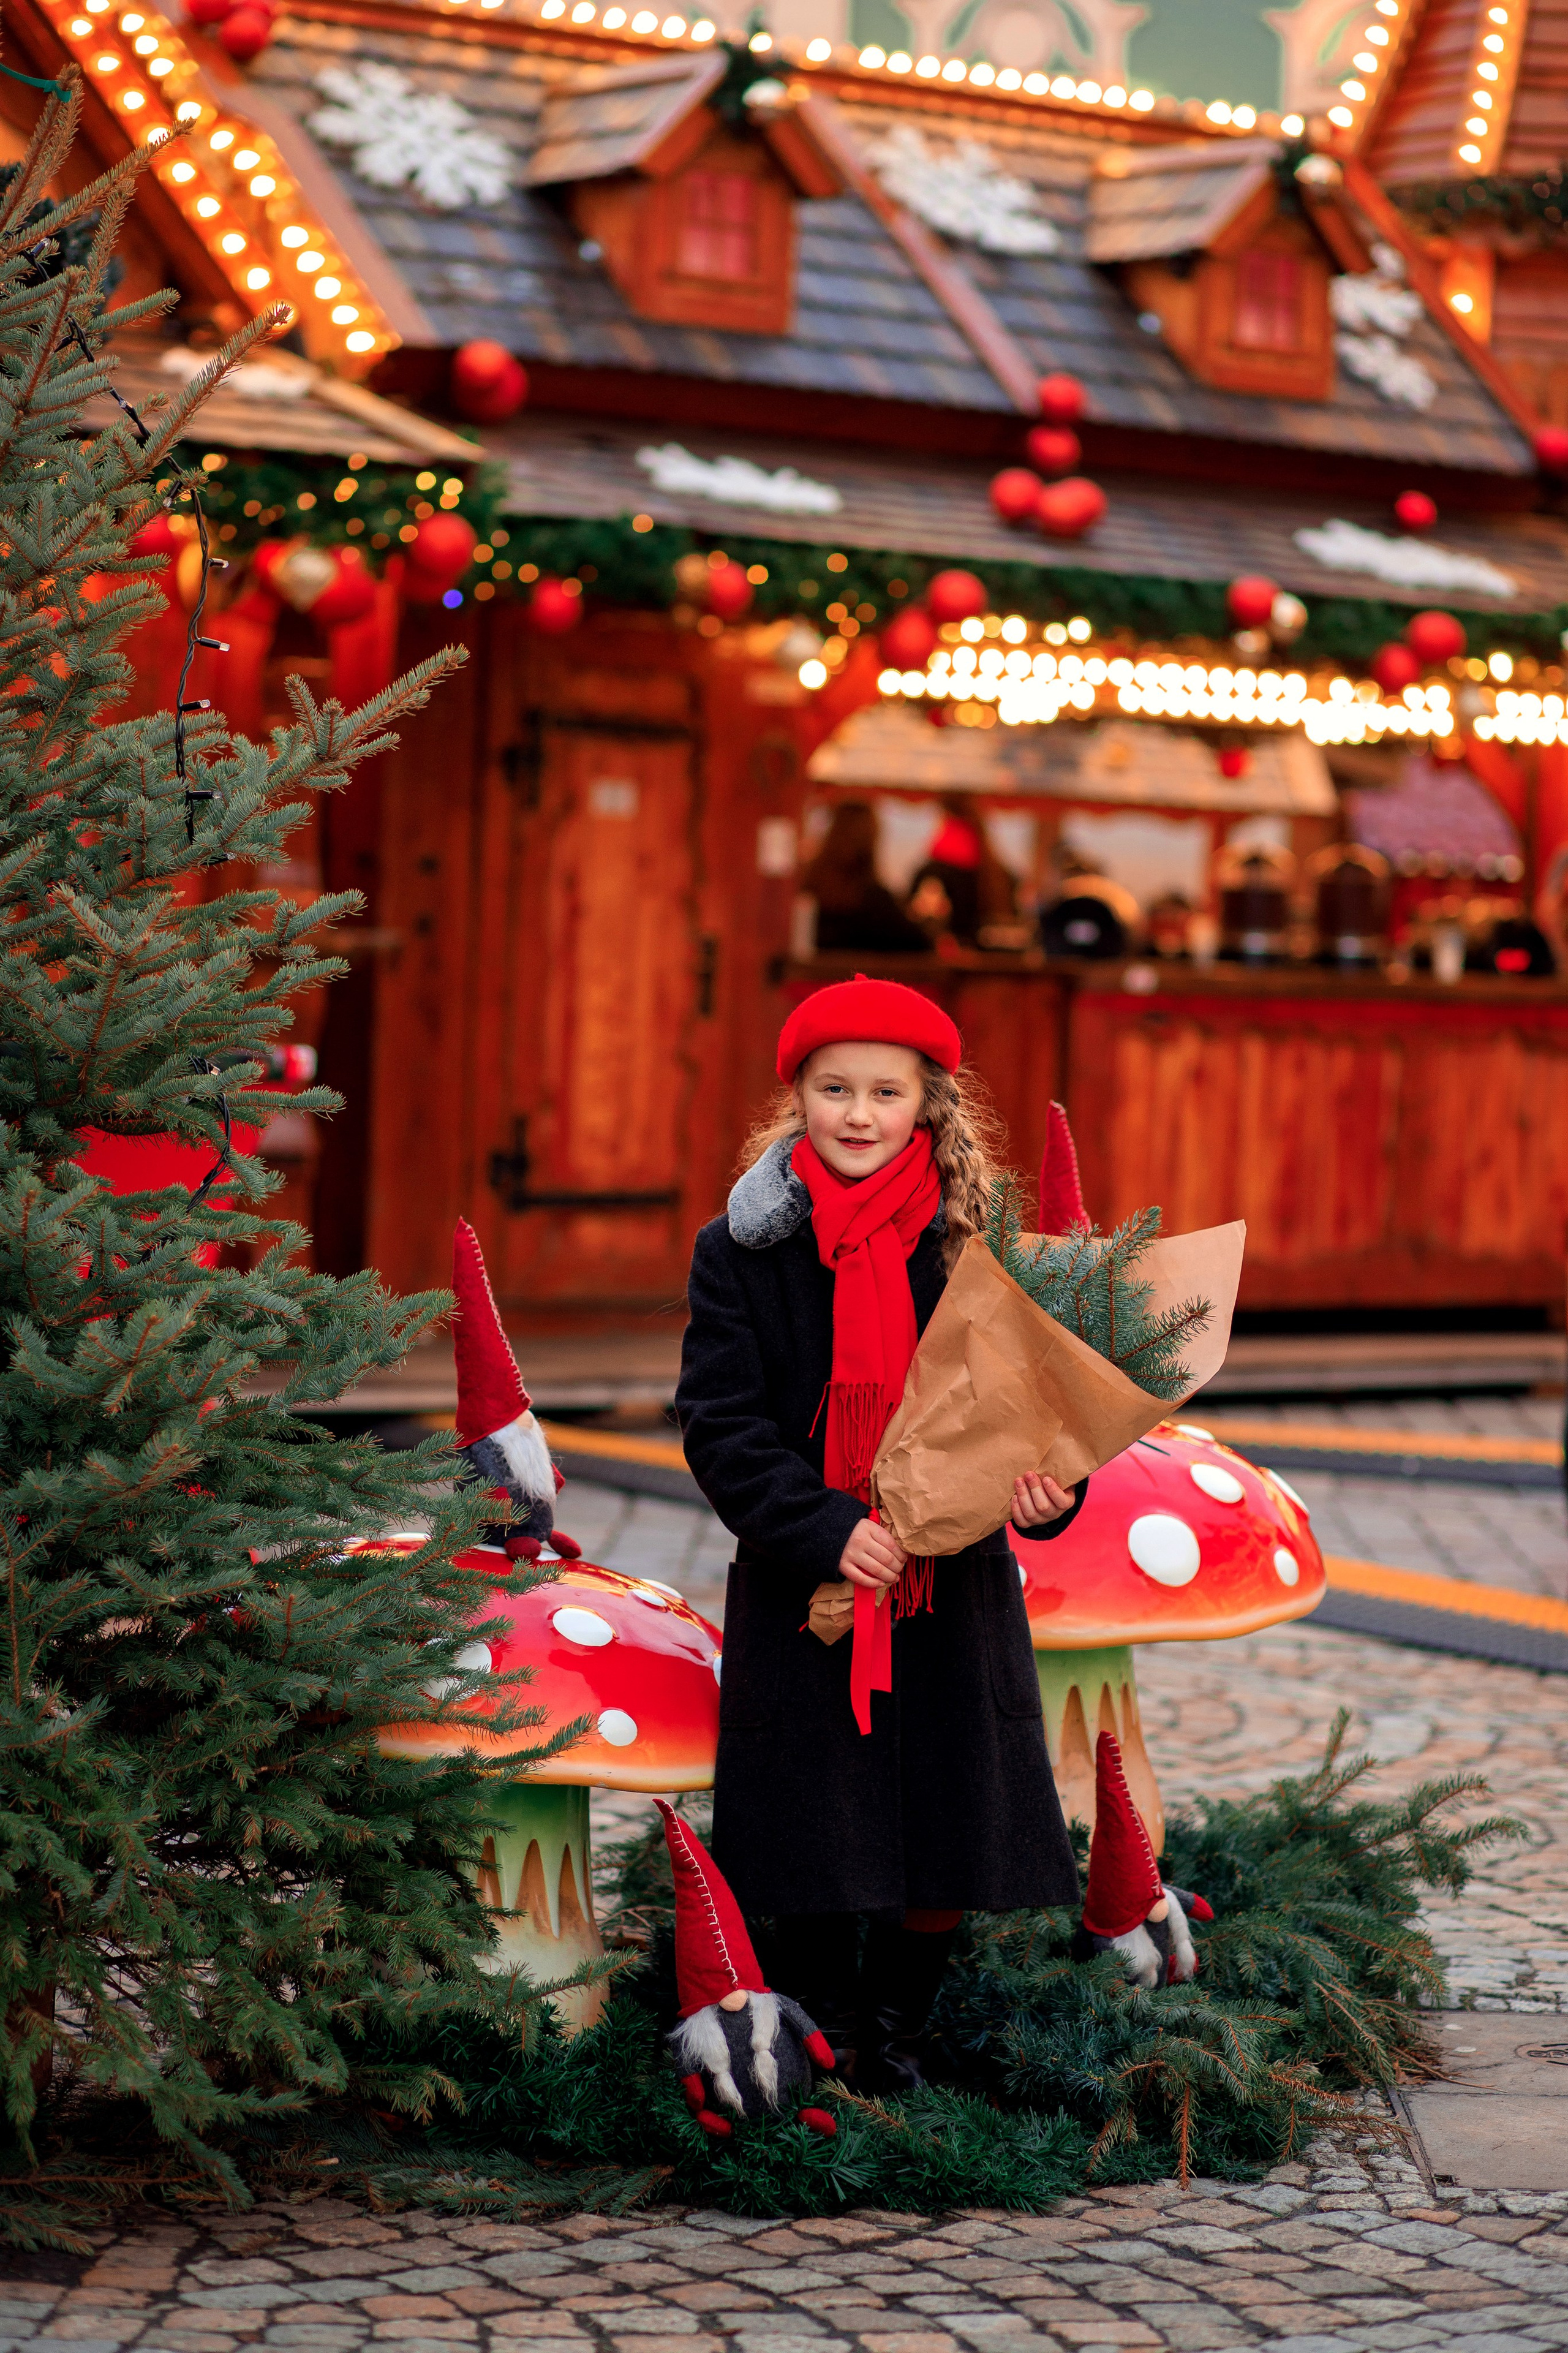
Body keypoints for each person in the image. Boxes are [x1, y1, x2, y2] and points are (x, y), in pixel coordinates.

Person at [674, 975, 1086, 2095]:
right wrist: (822, 1527)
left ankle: (897, 2041)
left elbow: (1036, 1411)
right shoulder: (742, 1251)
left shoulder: (976, 1245)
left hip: (950, 1586)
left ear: (928, 1105)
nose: (859, 1114)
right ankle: (829, 2033)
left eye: (886, 1092)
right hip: (810, 1585)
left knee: (944, 1815)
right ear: (796, 1098)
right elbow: (721, 1424)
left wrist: (1056, 1489)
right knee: (815, 1828)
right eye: (835, 1088)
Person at [800, 801, 930, 954]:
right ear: (871, 842)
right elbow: (919, 944)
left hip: (813, 977)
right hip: (862, 976)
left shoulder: (809, 887)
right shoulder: (875, 899)